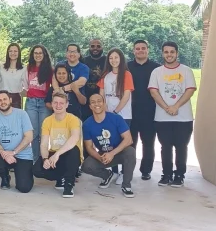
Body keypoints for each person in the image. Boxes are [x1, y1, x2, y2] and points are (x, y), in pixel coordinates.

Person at [148, 41, 197, 187]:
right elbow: (153, 91)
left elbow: (190, 89)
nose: (169, 55)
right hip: (162, 117)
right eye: (166, 52)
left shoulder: (186, 70)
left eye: (172, 52)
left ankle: (179, 175)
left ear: (177, 53)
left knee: (181, 146)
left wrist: (176, 106)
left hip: (184, 117)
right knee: (165, 147)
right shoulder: (157, 72)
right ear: (162, 53)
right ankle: (166, 175)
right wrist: (166, 108)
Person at [81, 94, 136, 198]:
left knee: (130, 152)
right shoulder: (87, 124)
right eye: (93, 102)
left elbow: (129, 139)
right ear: (90, 106)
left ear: (104, 104)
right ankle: (107, 175)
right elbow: (89, 147)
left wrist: (112, 153)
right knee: (86, 166)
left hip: (119, 152)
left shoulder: (116, 118)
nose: (96, 104)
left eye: (99, 101)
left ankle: (126, 185)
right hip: (104, 154)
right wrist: (100, 157)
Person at [33, 92, 82, 198]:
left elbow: (74, 138)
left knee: (74, 151)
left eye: (61, 103)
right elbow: (44, 144)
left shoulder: (73, 119)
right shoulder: (47, 121)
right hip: (56, 155)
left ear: (66, 104)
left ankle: (69, 184)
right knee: (37, 170)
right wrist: (45, 159)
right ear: (51, 104)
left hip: (70, 154)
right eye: (55, 103)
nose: (58, 105)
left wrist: (57, 154)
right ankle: (61, 178)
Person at [98, 48, 134, 185]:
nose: (114, 60)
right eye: (111, 58)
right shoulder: (105, 75)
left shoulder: (127, 75)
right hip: (107, 114)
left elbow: (126, 95)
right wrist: (104, 108)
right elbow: (101, 93)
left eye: (116, 57)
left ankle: (124, 172)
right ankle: (113, 171)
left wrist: (116, 111)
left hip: (123, 115)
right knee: (110, 143)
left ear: (121, 59)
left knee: (123, 144)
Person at [0, 91, 34, 193]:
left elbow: (29, 137)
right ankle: (5, 177)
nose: (2, 102)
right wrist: (4, 154)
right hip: (4, 155)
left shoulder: (22, 114)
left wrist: (14, 152)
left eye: (5, 99)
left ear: (10, 100)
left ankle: (21, 173)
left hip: (23, 155)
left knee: (24, 188)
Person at [128, 40, 161, 181]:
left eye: (143, 48)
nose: (140, 50)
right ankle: (127, 170)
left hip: (150, 111)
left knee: (148, 143)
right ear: (133, 51)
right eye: (137, 48)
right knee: (130, 143)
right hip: (130, 111)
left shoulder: (156, 68)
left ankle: (146, 170)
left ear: (148, 50)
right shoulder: (127, 67)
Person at [25, 45, 53, 162]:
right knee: (33, 133)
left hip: (44, 103)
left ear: (44, 55)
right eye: (35, 53)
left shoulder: (49, 69)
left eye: (40, 53)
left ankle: (44, 158)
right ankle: (35, 160)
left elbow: (54, 86)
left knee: (44, 133)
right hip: (31, 102)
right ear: (32, 55)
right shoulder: (28, 68)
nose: (38, 55)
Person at [53, 44, 90, 117]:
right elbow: (54, 79)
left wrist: (62, 89)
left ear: (79, 54)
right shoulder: (60, 65)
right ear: (66, 54)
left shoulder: (84, 68)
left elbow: (81, 82)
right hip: (60, 104)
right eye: (70, 51)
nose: (72, 54)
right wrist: (57, 90)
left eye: (74, 52)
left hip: (77, 105)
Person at [0, 43, 27, 109]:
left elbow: (26, 84)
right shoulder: (2, 66)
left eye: (15, 51)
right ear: (7, 53)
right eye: (10, 51)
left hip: (16, 98)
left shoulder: (23, 68)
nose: (13, 53)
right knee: (1, 118)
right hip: (2, 97)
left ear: (19, 53)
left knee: (16, 118)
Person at [82, 39, 106, 120]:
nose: (95, 48)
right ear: (89, 47)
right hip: (85, 100)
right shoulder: (83, 61)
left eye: (98, 46)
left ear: (102, 47)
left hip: (103, 99)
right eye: (92, 46)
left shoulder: (107, 61)